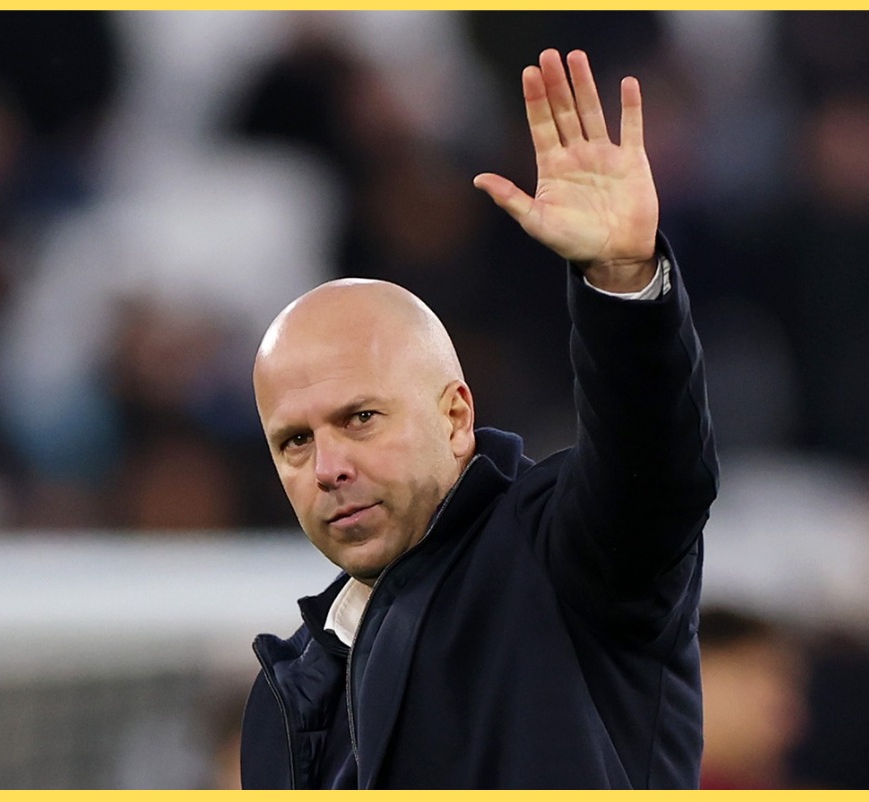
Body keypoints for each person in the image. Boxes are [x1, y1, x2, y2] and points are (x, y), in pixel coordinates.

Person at [240, 48, 718, 789]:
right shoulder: (287, 693)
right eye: (295, 442)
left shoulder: (566, 558)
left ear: (457, 416)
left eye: (360, 418)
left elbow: (656, 470)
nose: (328, 466)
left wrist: (621, 281)